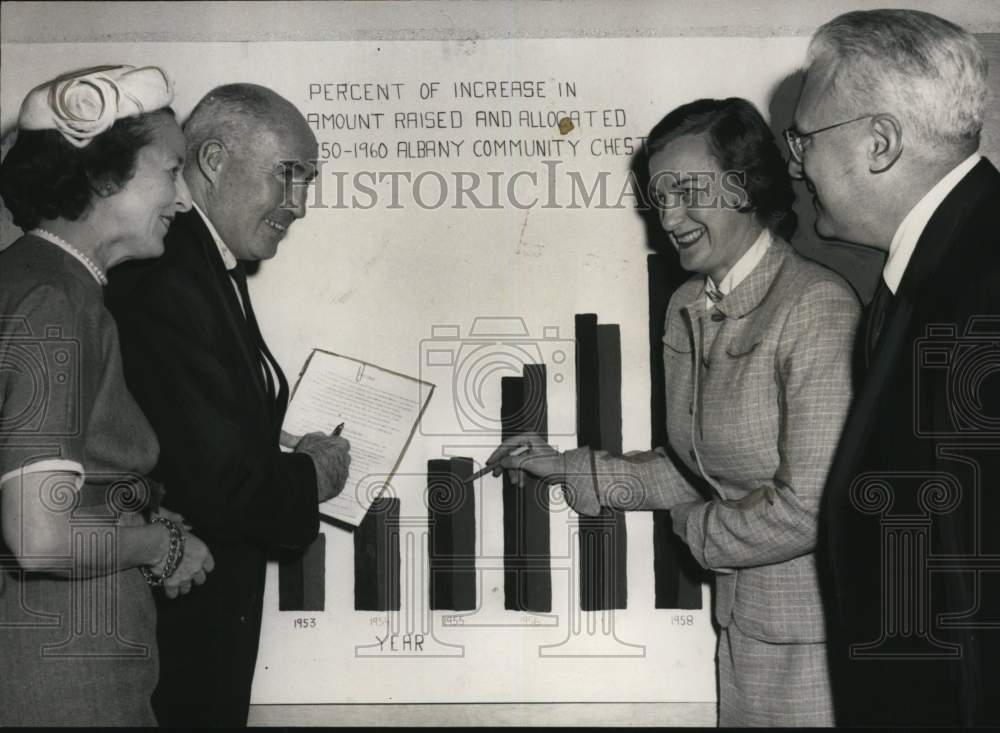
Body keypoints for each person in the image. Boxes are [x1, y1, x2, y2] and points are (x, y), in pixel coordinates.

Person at [489, 98, 860, 726]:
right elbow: (697, 467)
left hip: (815, 638)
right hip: (744, 625)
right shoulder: (690, 302)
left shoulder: (815, 306)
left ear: (745, 188)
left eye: (688, 190)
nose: (669, 216)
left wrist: (691, 529)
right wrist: (566, 469)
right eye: (658, 196)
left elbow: (812, 509)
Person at [105, 83, 352, 727]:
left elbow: (195, 442)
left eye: (310, 181)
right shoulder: (168, 274)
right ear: (212, 161)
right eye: (287, 175)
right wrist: (310, 475)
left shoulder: (204, 263)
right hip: (172, 632)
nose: (298, 205)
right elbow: (216, 483)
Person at [786, 9, 1000, 726]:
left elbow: (977, 589)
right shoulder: (944, 260)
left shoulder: (980, 284)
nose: (796, 163)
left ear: (879, 143)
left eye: (805, 138)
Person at [0, 65, 214, 726]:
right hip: (64, 679)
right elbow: (39, 536)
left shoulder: (36, 282)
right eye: (173, 171)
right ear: (101, 175)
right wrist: (158, 546)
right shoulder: (52, 302)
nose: (182, 201)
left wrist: (145, 523)